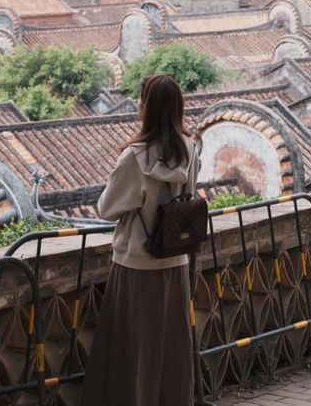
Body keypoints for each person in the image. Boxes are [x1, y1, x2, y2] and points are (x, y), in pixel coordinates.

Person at [79, 74, 200, 406]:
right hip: (175, 260)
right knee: (170, 347)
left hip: (136, 261)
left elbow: (107, 207)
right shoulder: (190, 148)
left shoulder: (135, 157)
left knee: (132, 347)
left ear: (146, 108)